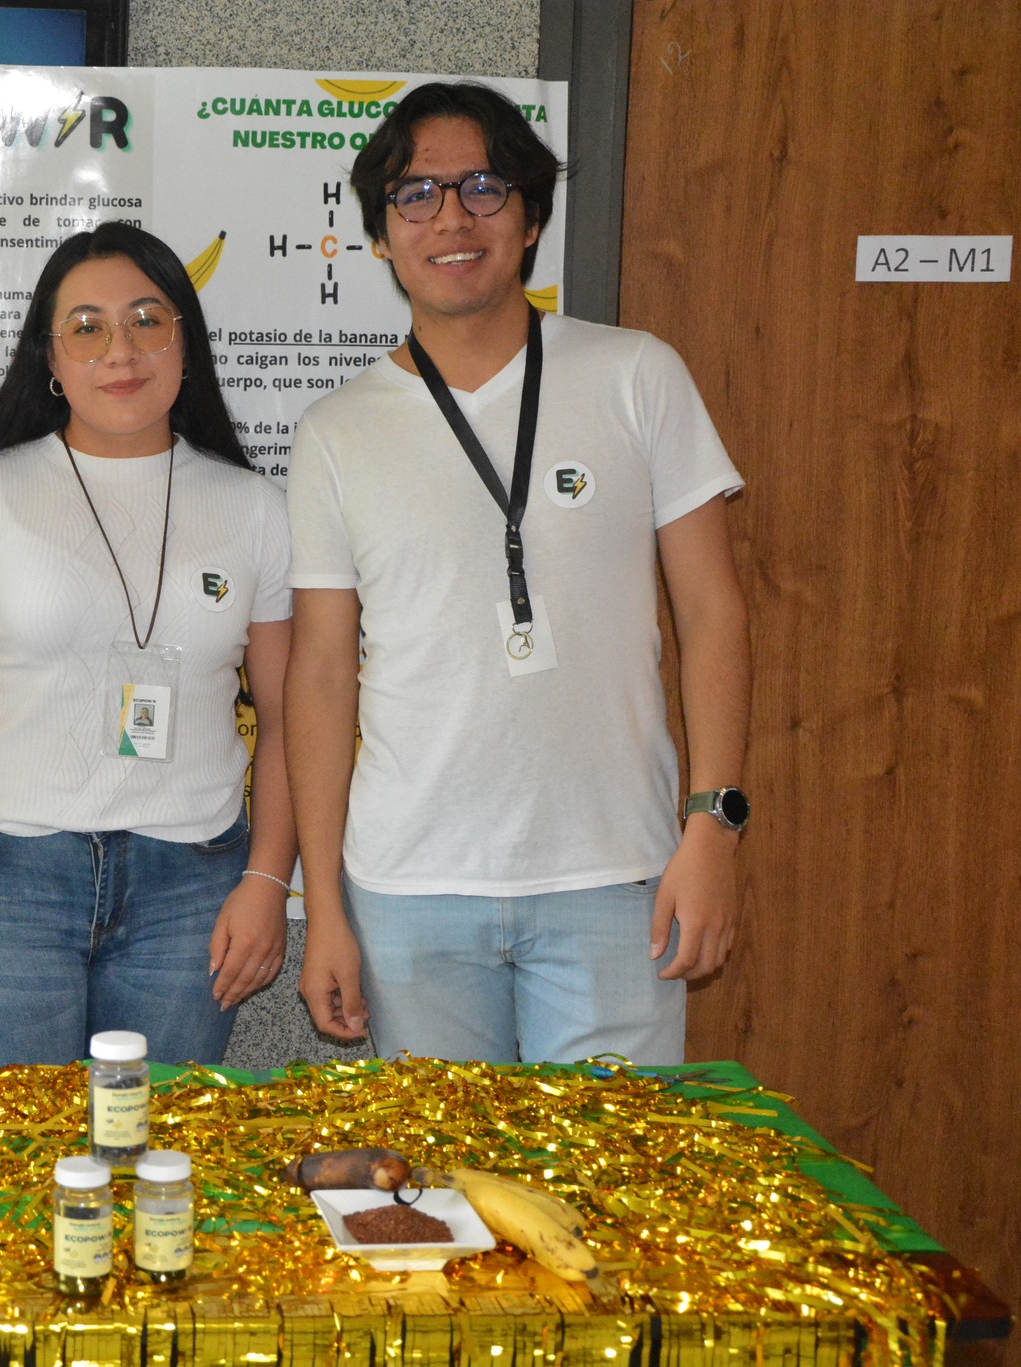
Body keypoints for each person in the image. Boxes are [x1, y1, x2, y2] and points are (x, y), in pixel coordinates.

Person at [285, 82, 752, 1065]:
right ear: (378, 234)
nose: (449, 218)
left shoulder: (636, 375)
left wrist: (712, 823)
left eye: (482, 187)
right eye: (415, 195)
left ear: (531, 217)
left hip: (614, 873)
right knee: (446, 1202)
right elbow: (321, 674)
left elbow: (712, 612)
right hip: (410, 890)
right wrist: (322, 906)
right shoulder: (334, 432)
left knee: (607, 1203)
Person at [0, 222, 296, 1066]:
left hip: (194, 886)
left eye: (149, 319)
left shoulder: (257, 509)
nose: (121, 349)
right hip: (5, 877)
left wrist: (267, 883)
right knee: (2, 1167)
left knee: (157, 1168)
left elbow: (294, 716)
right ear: (51, 358)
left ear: (187, 344)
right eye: (88, 326)